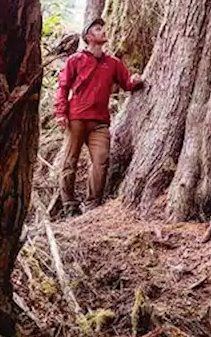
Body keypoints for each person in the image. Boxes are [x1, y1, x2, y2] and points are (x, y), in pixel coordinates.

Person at [54, 18, 146, 215]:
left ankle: (92, 204)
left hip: (100, 122)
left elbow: (126, 83)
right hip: (76, 118)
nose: (103, 31)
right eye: (98, 29)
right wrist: (60, 112)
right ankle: (69, 204)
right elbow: (63, 86)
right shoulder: (75, 60)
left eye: (103, 28)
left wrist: (135, 80)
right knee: (70, 161)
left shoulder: (112, 63)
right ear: (89, 37)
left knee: (101, 160)